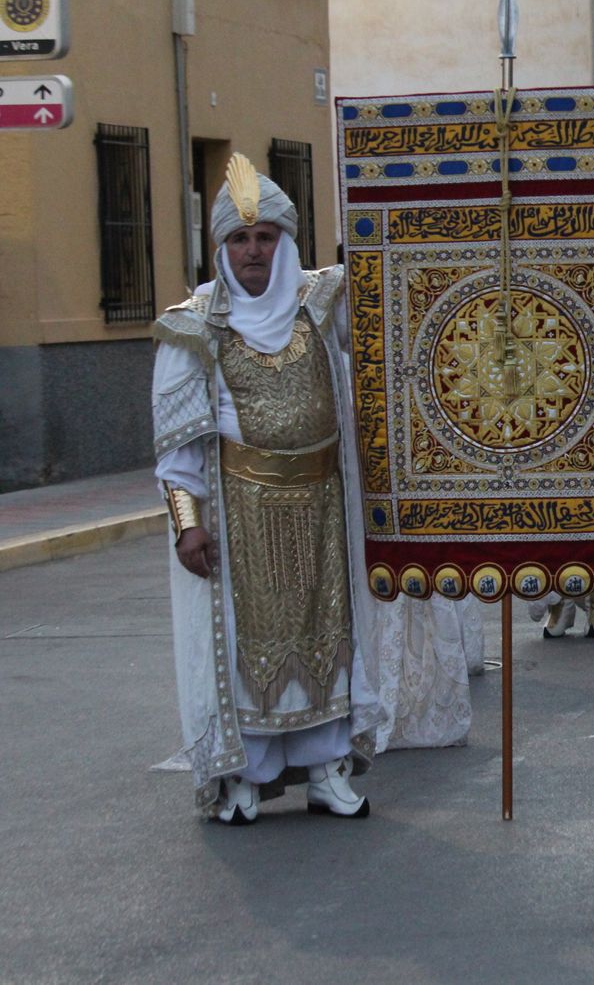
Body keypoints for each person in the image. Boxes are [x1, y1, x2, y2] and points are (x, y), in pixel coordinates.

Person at [152, 154, 381, 822]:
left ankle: (327, 770)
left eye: (265, 237)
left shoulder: (322, 305)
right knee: (246, 652)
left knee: (329, 639)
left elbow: (387, 318)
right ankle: (244, 777)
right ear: (222, 246)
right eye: (240, 239)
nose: (253, 251)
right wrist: (187, 523)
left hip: (322, 510)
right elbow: (177, 444)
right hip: (240, 516)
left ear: (285, 241)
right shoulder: (194, 326)